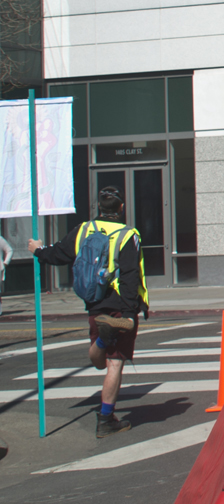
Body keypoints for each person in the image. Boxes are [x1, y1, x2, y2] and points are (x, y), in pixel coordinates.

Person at [30, 187, 150, 438]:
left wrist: (38, 250)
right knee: (115, 363)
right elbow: (130, 275)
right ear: (121, 207)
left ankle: (102, 339)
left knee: (98, 361)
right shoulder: (128, 234)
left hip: (95, 301)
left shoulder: (83, 230)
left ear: (99, 208)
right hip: (120, 304)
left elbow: (59, 254)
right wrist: (130, 313)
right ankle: (106, 419)